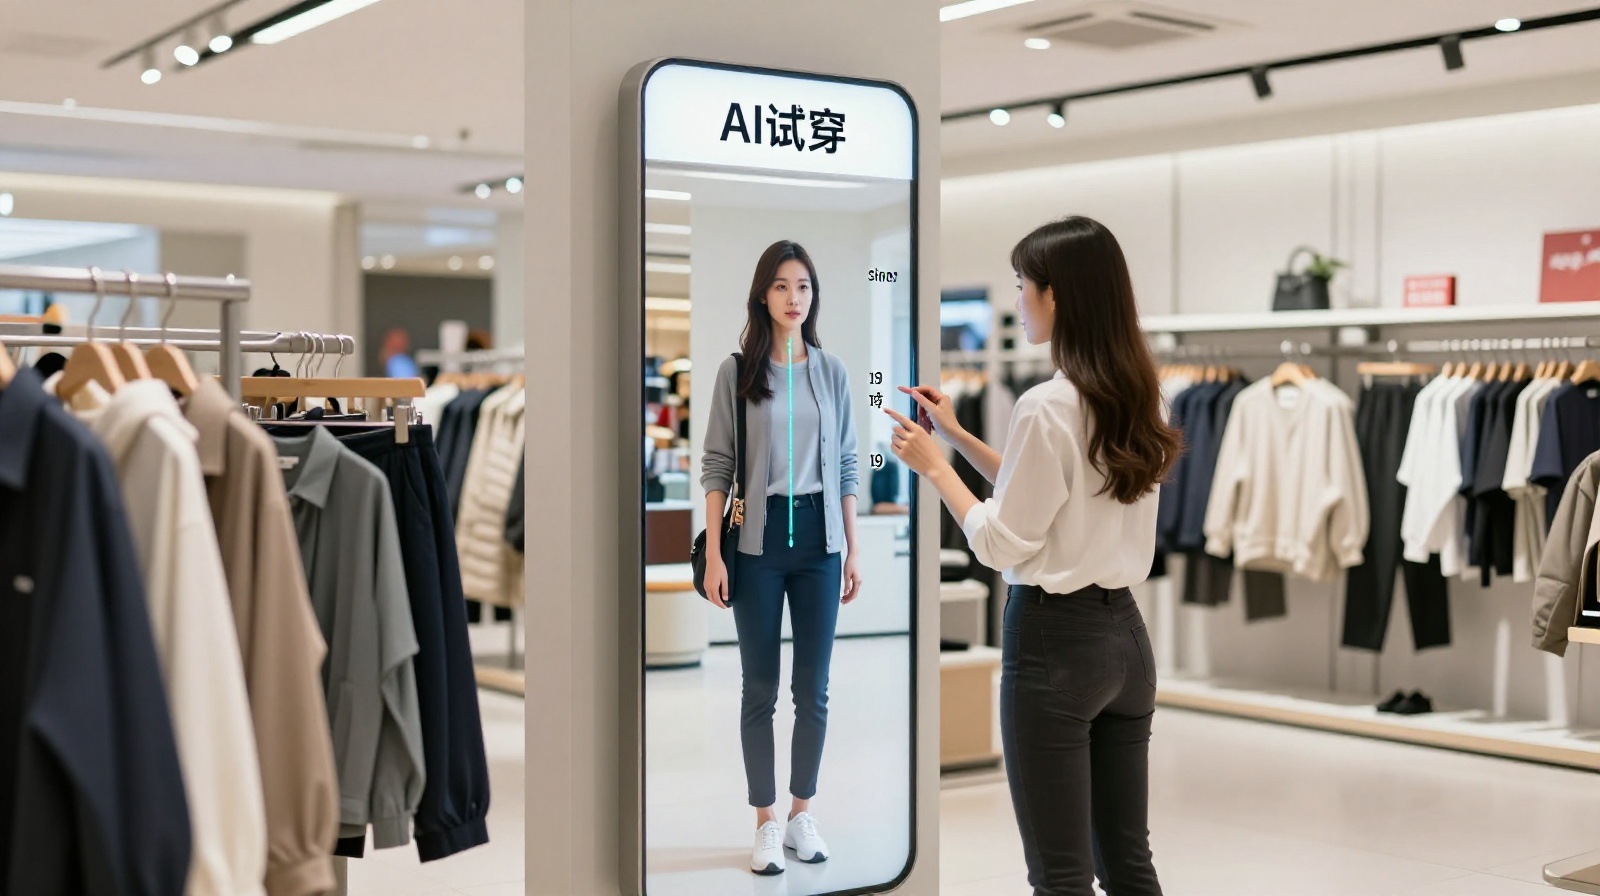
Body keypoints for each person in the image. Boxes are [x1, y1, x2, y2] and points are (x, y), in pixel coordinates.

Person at [886, 216, 1177, 896]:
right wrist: (958, 437)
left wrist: (935, 468)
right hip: (1126, 642)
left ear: (1056, 295)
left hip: (1054, 642)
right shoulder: (1139, 396)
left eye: (1022, 285)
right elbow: (1055, 493)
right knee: (1128, 863)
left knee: (1061, 875)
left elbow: (1001, 542)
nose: (1017, 301)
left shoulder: (1046, 404)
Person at [700, 239, 864, 877]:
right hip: (757, 544)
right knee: (761, 688)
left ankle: (801, 813)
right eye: (781, 286)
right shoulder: (736, 372)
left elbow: (847, 462)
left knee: (812, 690)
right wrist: (715, 555)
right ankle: (765, 820)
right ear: (762, 295)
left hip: (820, 542)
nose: (794, 298)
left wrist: (852, 547)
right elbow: (717, 465)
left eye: (803, 287)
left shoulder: (833, 371)